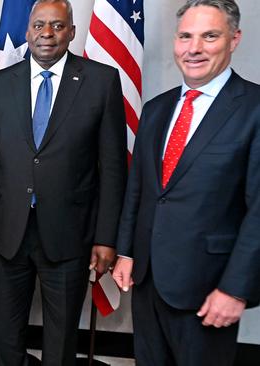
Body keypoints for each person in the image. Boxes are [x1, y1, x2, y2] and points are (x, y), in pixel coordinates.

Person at [0, 0, 128, 364]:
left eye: (57, 26)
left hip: (70, 234)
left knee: (61, 337)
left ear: (72, 32)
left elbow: (114, 168)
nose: (47, 34)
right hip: (8, 233)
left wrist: (106, 238)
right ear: (27, 32)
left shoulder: (101, 82)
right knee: (6, 336)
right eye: (39, 25)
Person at [112, 1, 260, 365]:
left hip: (209, 286)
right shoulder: (158, 108)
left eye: (209, 36)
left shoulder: (254, 108)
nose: (194, 48)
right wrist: (126, 250)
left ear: (234, 39)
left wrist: (235, 290)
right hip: (147, 280)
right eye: (185, 36)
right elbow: (140, 188)